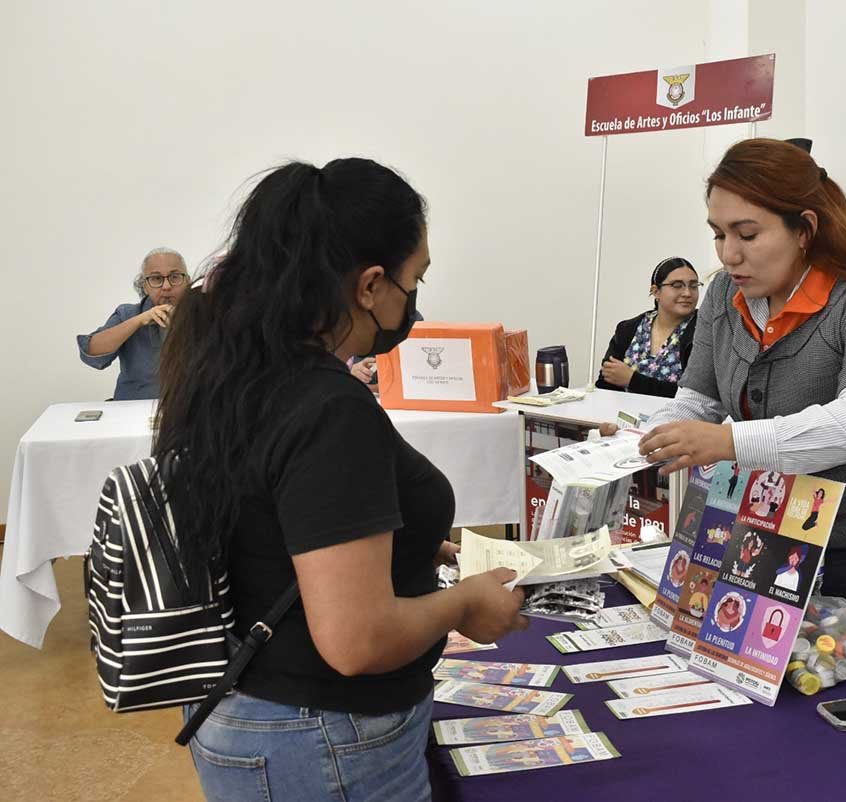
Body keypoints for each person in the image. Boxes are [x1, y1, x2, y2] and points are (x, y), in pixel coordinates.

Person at [154, 158, 526, 802]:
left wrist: (408, 543)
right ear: (371, 285)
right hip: (320, 738)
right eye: (415, 280)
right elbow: (357, 640)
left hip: (251, 706)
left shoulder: (234, 370)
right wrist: (465, 603)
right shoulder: (327, 407)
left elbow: (278, 526)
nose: (415, 304)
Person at [630, 138, 846, 672]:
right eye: (718, 234)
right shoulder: (724, 296)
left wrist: (727, 441)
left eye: (747, 234)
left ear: (804, 229)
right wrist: (659, 434)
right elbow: (699, 396)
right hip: (776, 536)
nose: (728, 255)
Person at [77, 247, 189, 400]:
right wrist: (139, 320)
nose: (166, 286)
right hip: (133, 406)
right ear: (145, 286)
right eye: (156, 279)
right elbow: (92, 354)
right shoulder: (127, 313)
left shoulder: (205, 315)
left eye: (175, 277)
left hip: (190, 407)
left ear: (187, 281)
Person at [595, 257, 700, 397]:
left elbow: (697, 395)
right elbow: (606, 382)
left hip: (678, 412)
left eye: (693, 286)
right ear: (656, 291)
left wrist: (633, 380)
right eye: (677, 285)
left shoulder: (703, 331)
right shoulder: (627, 329)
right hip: (623, 410)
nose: (687, 293)